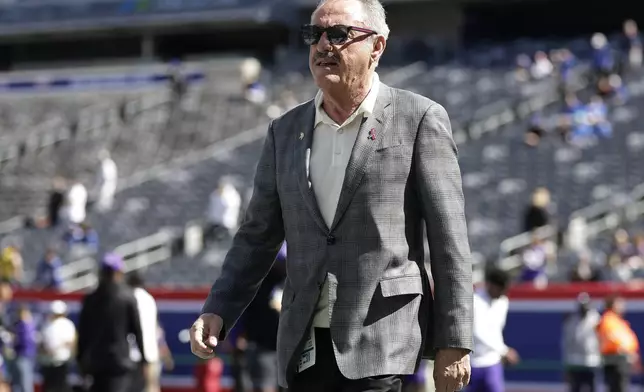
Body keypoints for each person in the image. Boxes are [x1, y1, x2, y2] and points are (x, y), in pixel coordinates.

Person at [189, 1, 474, 392]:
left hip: (382, 343)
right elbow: (257, 236)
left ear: (377, 47)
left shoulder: (419, 118)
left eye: (338, 35)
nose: (323, 45)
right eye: (314, 35)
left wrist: (455, 340)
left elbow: (449, 240)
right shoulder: (284, 132)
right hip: (302, 346)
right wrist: (218, 309)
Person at [77, 253, 147, 392]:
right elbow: (137, 332)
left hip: (96, 364)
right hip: (119, 363)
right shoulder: (127, 298)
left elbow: (83, 335)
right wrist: (144, 360)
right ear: (119, 272)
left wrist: (81, 363)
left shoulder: (90, 299)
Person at [467, 269, 519, 392]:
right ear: (490, 284)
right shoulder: (474, 301)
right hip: (472, 364)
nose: (503, 293)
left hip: (493, 364)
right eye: (500, 288)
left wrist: (500, 351)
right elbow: (477, 331)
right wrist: (504, 350)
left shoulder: (503, 302)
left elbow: (496, 331)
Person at [596, 295, 640, 392]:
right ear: (613, 304)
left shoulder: (617, 320)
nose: (623, 306)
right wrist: (627, 353)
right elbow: (613, 339)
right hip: (615, 361)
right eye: (620, 303)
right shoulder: (608, 319)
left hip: (621, 361)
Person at [127, 272, 160, 392]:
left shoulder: (128, 297)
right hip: (151, 353)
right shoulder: (149, 298)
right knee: (151, 387)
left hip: (132, 354)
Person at [561, 293, 600, 392]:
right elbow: (566, 342)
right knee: (575, 388)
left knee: (592, 388)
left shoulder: (596, 319)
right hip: (575, 363)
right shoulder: (571, 320)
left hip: (592, 362)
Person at [40, 301, 76, 392]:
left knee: (60, 386)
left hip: (62, 362)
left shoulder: (67, 324)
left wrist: (59, 348)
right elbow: (42, 343)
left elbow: (71, 342)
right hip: (48, 362)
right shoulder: (48, 324)